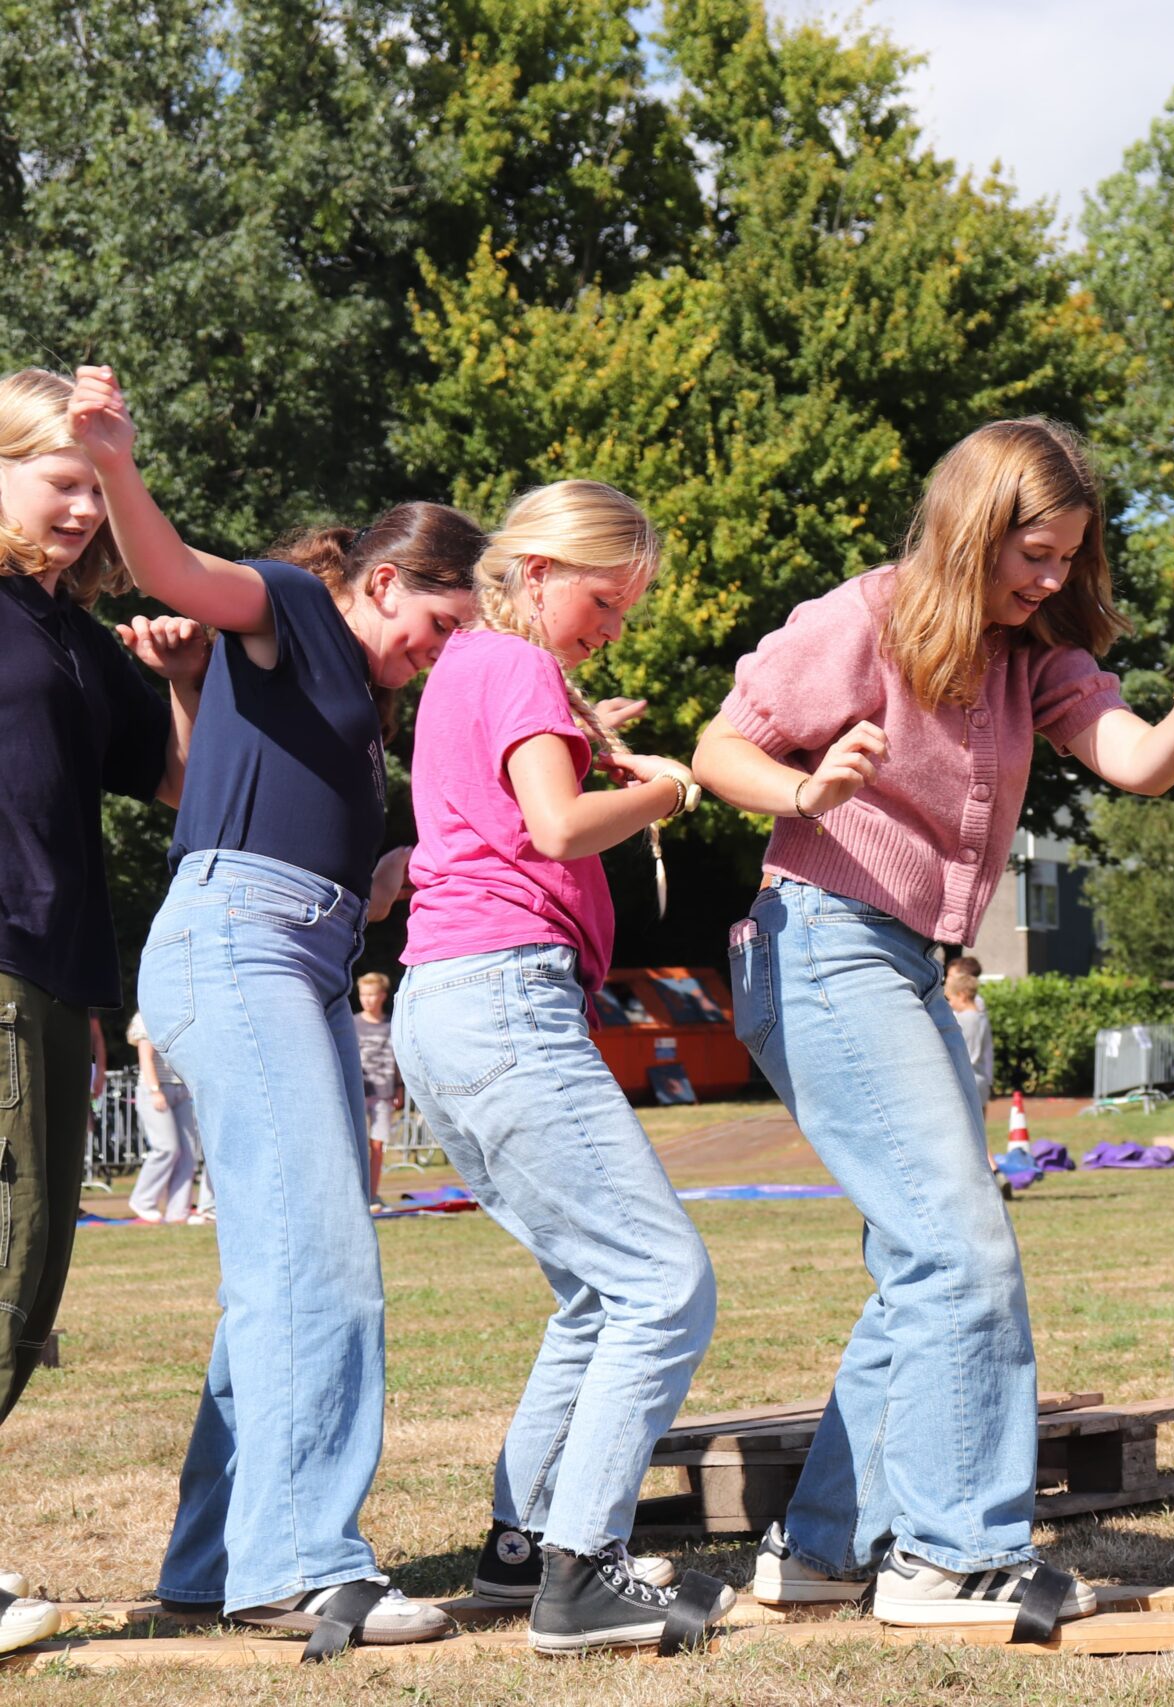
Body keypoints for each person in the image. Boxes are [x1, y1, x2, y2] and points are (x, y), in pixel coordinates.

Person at [694, 417, 1174, 1630]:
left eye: (1069, 558)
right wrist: (806, 788)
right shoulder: (863, 618)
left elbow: (1137, 761)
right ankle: (948, 1560)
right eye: (1033, 554)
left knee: (925, 1262)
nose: (1051, 580)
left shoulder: (1027, 651)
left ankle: (824, 1549)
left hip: (902, 960)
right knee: (960, 1253)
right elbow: (719, 748)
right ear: (969, 528)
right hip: (822, 941)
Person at [71, 364, 484, 1652]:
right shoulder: (296, 605)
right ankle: (301, 1565)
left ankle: (212, 1566)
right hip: (238, 949)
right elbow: (173, 571)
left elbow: (265, 817)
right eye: (441, 622)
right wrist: (116, 463)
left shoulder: (355, 705)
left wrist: (387, 872)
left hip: (286, 953)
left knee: (279, 1272)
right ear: (382, 581)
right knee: (321, 1262)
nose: (444, 651)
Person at [392, 480, 733, 1653]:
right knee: (662, 1285)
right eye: (603, 601)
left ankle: (524, 1548)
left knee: (596, 1292)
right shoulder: (519, 665)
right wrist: (665, 788)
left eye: (626, 612)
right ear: (534, 572)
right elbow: (554, 827)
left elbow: (510, 807)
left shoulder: (465, 667)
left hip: (448, 1004)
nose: (610, 629)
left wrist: (588, 749)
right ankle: (582, 1577)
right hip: (505, 996)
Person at [0, 366, 206, 1657]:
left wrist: (181, 677)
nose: (84, 510)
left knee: (31, 1274)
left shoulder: (73, 634)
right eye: (60, 481)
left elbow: (178, 783)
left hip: (54, 971)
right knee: (13, 1259)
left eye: (98, 488)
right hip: (5, 957)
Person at [127, 1011, 212, 1225]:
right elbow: (145, 1058)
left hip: (181, 1091)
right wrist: (155, 1091)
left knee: (188, 1153)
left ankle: (178, 1211)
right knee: (167, 1148)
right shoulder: (147, 1016)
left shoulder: (183, 1015)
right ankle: (143, 1201)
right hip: (155, 1090)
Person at [353, 974, 401, 1211]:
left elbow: (399, 1059)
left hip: (384, 1093)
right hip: (357, 1092)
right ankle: (355, 1195)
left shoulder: (392, 1025)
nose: (367, 999)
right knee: (355, 1145)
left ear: (382, 996)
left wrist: (400, 1088)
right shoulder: (352, 1024)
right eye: (363, 994)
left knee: (377, 1146)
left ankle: (373, 1195)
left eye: (372, 994)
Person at [946, 958, 994, 1107]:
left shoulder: (959, 1020)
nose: (949, 1004)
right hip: (981, 1079)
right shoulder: (980, 1016)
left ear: (962, 996)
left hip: (964, 1080)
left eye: (951, 999)